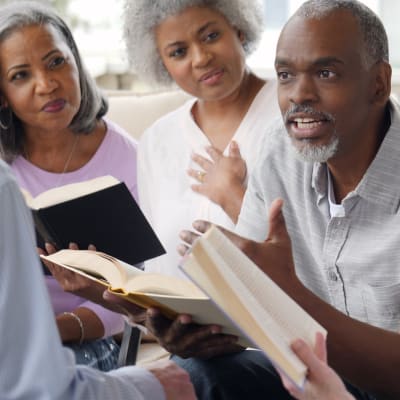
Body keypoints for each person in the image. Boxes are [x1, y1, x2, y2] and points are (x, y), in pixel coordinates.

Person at [143, 0, 400, 399]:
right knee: (191, 374)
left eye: (326, 72)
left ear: (378, 84)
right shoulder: (279, 153)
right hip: (316, 375)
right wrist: (203, 332)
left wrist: (289, 292)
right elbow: (251, 300)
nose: (300, 95)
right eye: (285, 75)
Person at [0, 1, 137, 371]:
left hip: (89, 341)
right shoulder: (3, 169)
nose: (46, 85)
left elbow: (139, 296)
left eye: (56, 61)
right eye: (20, 76)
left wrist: (50, 331)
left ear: (76, 62)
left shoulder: (131, 158)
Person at [0, 158, 196, 400]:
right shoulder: (5, 183)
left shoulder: (130, 156)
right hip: (32, 347)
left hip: (83, 335)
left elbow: (145, 281)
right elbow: (36, 388)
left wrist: (64, 322)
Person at [123, 0, 280, 278]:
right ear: (163, 64)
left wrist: (233, 195)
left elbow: (318, 253)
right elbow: (156, 265)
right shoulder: (156, 141)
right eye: (179, 52)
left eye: (211, 36)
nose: (200, 58)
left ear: (238, 29)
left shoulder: (292, 112)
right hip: (179, 319)